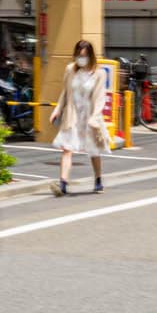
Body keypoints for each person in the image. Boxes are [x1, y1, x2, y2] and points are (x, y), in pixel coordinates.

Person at [48, 40, 110, 197]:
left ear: (90, 56)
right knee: (67, 149)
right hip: (72, 115)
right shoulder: (70, 70)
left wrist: (95, 117)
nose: (81, 58)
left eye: (84, 56)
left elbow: (100, 98)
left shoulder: (99, 73)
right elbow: (65, 92)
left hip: (89, 116)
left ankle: (98, 180)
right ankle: (63, 184)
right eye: (78, 55)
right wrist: (57, 109)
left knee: (94, 151)